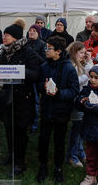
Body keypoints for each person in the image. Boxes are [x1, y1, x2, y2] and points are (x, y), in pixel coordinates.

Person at [0, 18, 40, 175]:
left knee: (20, 132)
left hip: (22, 99)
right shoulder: (2, 52)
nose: (4, 37)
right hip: (6, 98)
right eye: (4, 34)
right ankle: (11, 155)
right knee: (9, 129)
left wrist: (19, 71)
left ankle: (20, 163)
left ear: (15, 37)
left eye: (7, 35)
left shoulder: (28, 52)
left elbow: (36, 73)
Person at [36, 36, 79, 184]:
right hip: (47, 109)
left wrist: (59, 93)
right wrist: (43, 86)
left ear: (58, 51)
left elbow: (74, 90)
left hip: (62, 111)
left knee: (59, 140)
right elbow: (38, 84)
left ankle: (58, 168)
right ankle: (42, 165)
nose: (46, 50)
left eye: (49, 48)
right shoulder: (44, 67)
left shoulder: (69, 68)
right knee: (43, 139)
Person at [66, 42, 93, 168]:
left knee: (81, 128)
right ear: (74, 52)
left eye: (84, 53)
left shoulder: (80, 64)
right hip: (75, 100)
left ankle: (80, 153)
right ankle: (72, 156)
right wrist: (86, 76)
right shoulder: (71, 65)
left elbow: (91, 72)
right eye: (81, 52)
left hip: (82, 99)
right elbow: (74, 81)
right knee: (77, 129)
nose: (83, 55)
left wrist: (89, 60)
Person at [27, 24, 46, 133]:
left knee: (36, 101)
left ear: (38, 33)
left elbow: (44, 61)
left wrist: (33, 53)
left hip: (38, 76)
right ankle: (28, 122)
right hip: (27, 74)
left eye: (34, 31)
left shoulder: (42, 44)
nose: (31, 32)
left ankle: (35, 125)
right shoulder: (25, 43)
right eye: (30, 31)